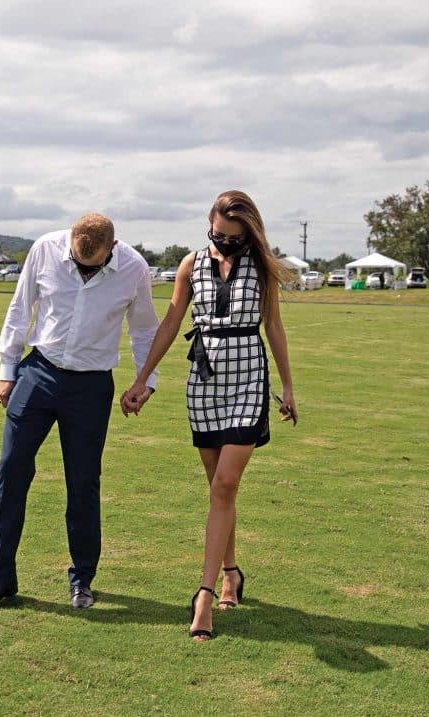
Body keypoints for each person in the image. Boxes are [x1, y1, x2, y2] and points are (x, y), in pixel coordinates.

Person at [121, 190, 296, 642]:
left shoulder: (261, 269)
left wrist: (289, 386)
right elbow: (171, 322)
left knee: (225, 485)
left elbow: (273, 325)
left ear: (249, 234)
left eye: (233, 238)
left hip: (248, 380)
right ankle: (231, 572)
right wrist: (143, 380)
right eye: (218, 234)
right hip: (203, 383)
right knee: (218, 488)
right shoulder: (190, 264)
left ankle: (203, 594)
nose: (223, 242)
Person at [0, 213, 160, 614]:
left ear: (113, 247)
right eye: (75, 259)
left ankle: (82, 580)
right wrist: (7, 371)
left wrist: (145, 380)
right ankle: (0, 577)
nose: (80, 267)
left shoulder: (134, 268)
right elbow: (20, 309)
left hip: (91, 385)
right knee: (12, 470)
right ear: (71, 241)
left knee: (83, 484)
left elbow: (143, 328)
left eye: (90, 264)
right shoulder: (44, 249)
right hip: (38, 372)